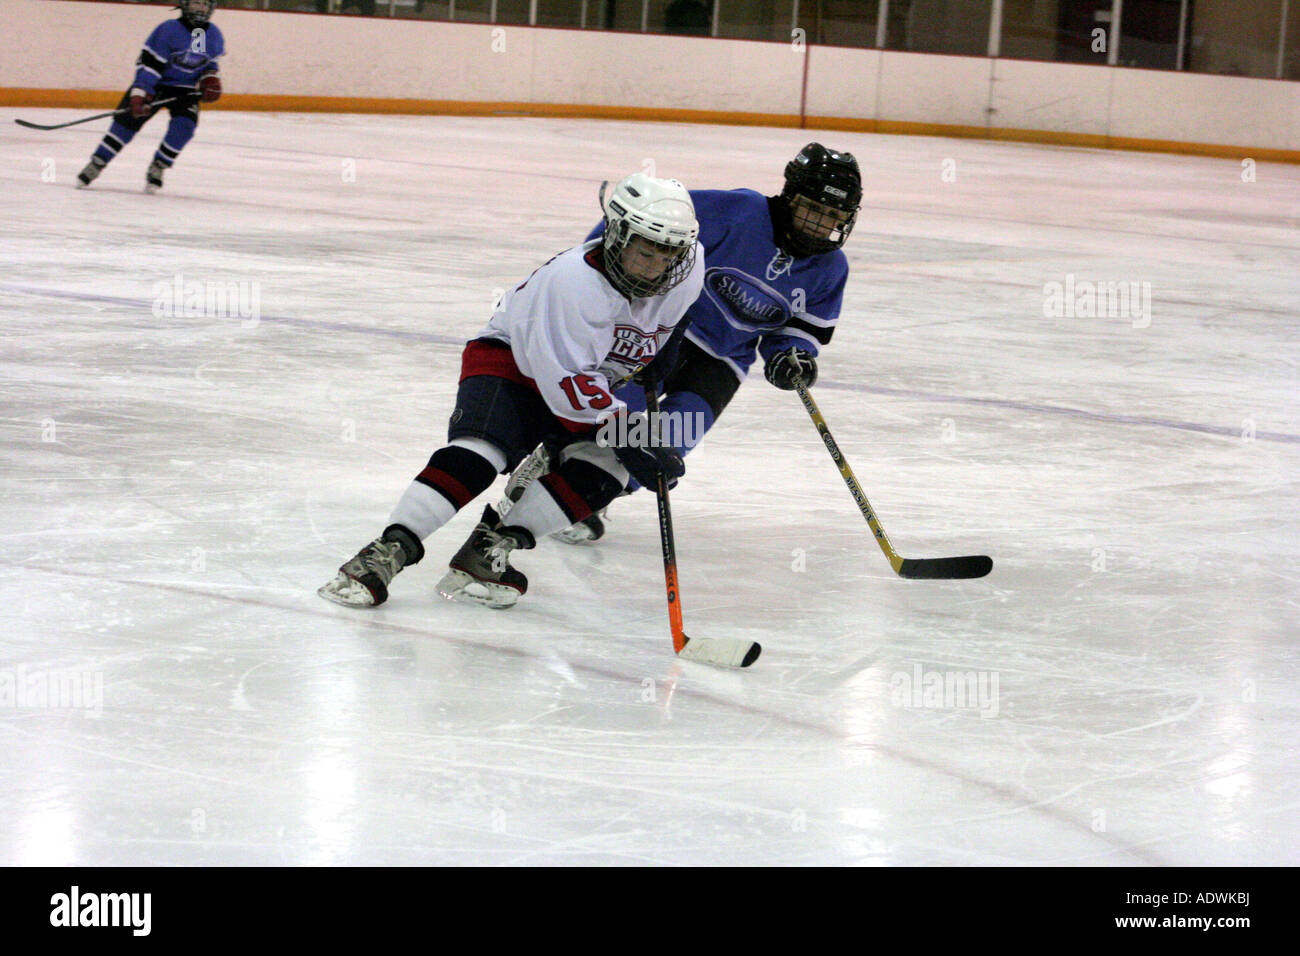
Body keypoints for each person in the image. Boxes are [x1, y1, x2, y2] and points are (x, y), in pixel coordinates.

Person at [319, 173, 703, 610]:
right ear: (616, 236)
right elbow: (569, 387)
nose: (654, 266)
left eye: (666, 255)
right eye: (644, 251)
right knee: (482, 454)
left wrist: (664, 351)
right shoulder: (574, 284)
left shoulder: (687, 267)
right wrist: (633, 437)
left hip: (583, 381)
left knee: (605, 474)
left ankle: (487, 553)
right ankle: (383, 554)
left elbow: (678, 309)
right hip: (512, 364)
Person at [479, 142, 862, 547]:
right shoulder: (733, 212)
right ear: (790, 196)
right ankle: (551, 461)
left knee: (670, 444)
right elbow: (629, 233)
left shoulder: (831, 269)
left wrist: (793, 355)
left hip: (721, 363)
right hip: (658, 335)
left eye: (834, 216)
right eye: (814, 209)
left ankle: (588, 494)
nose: (822, 225)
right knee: (622, 421)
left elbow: (800, 329)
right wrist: (600, 284)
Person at [76, 0, 225, 193]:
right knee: (126, 124)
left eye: (204, 5)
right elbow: (150, 65)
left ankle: (159, 165)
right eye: (196, 3)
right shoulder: (169, 30)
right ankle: (98, 161)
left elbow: (209, 64)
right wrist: (141, 92)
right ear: (184, 4)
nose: (200, 9)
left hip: (185, 90)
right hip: (156, 84)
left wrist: (210, 78)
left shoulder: (213, 35)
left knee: (185, 127)